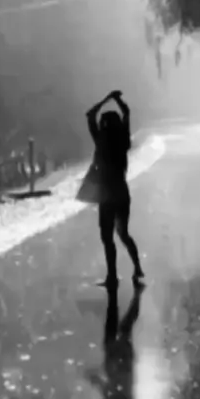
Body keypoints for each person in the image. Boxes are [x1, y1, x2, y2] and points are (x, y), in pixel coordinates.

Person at [85, 90, 144, 286]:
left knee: (107, 237)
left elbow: (90, 115)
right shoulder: (123, 141)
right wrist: (116, 99)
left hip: (106, 195)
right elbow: (127, 112)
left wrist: (105, 99)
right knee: (123, 233)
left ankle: (112, 276)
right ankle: (137, 267)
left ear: (103, 125)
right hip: (122, 193)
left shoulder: (100, 142)